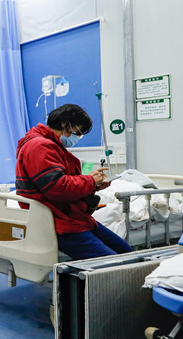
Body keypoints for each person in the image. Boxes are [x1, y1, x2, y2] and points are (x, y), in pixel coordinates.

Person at [15, 104, 133, 260]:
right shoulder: (40, 146)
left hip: (74, 217)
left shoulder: (49, 145)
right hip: (59, 222)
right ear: (65, 124)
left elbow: (60, 180)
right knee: (114, 263)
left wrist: (93, 184)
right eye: (78, 131)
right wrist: (89, 181)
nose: (78, 137)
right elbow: (58, 188)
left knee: (128, 253)